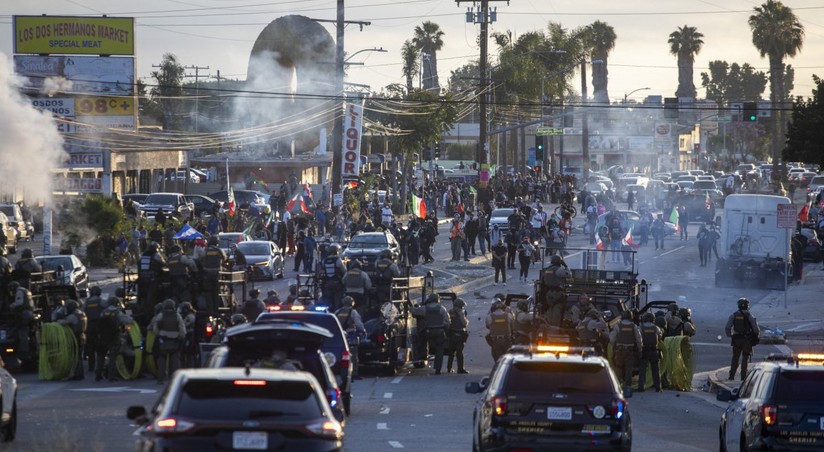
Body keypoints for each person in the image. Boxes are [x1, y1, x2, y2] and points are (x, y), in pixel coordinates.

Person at [97, 296, 132, 382]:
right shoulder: (117, 312)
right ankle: (111, 376)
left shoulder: (103, 312)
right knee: (113, 357)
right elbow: (127, 321)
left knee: (101, 356)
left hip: (102, 337)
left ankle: (98, 375)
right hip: (114, 337)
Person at [152, 299, 186, 384]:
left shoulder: (160, 315)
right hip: (175, 341)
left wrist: (159, 335)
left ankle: (160, 379)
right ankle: (174, 380)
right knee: (175, 362)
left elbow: (155, 328)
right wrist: (180, 337)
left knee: (161, 361)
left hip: (163, 340)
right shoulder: (177, 316)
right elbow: (182, 329)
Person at [725, 297, 760, 381]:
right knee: (745, 358)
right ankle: (743, 377)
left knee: (735, 358)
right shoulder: (749, 315)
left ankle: (731, 376)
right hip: (747, 340)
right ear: (747, 306)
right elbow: (756, 329)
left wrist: (731, 335)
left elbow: (727, 328)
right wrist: (755, 336)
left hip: (736, 339)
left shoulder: (734, 315)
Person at [417, 293, 450, 375]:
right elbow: (447, 321)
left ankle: (422, 357)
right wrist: (445, 330)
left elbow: (414, 311)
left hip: (428, 332)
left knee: (421, 340)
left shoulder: (424, 308)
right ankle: (437, 369)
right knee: (439, 350)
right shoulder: (442, 308)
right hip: (439, 332)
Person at [609, 309, 642, 391]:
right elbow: (639, 339)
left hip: (619, 350)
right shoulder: (633, 326)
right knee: (629, 368)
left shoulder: (618, 326)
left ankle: (617, 385)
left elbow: (611, 339)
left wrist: (614, 347)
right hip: (630, 351)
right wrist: (640, 349)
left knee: (618, 367)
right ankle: (628, 386)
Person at [335, 296, 366, 379]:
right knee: (353, 355)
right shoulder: (353, 312)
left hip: (340, 336)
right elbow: (358, 324)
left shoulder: (337, 312)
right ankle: (354, 374)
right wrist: (363, 331)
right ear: (352, 303)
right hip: (351, 336)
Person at [57, 300, 87, 380]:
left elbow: (63, 322)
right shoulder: (82, 313)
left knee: (75, 356)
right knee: (79, 356)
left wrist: (57, 320)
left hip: (75, 337)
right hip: (82, 335)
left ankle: (77, 374)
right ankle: (79, 373)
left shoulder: (73, 316)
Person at [8, 281, 35, 361]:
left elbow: (19, 302)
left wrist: (11, 306)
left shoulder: (19, 292)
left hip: (24, 314)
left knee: (22, 332)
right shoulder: (25, 290)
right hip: (30, 313)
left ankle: (23, 351)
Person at [637, 312, 663, 392]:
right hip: (654, 350)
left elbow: (638, 338)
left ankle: (641, 387)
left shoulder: (640, 328)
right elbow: (660, 336)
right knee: (656, 370)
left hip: (644, 350)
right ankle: (658, 387)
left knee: (642, 370)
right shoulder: (656, 328)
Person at [82, 286, 105, 373]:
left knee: (90, 347)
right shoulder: (102, 302)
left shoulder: (87, 302)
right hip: (100, 326)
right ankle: (100, 366)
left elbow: (83, 312)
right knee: (101, 346)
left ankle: (91, 366)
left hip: (90, 326)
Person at [446, 297, 469, 374]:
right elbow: (464, 323)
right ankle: (460, 369)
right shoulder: (461, 312)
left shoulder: (450, 311)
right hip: (460, 333)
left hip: (452, 333)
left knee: (451, 352)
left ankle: (449, 368)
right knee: (459, 353)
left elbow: (447, 322)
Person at [178, 301, 197, 368]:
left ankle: (189, 367)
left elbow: (183, 325)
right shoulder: (188, 316)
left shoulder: (190, 317)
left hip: (189, 336)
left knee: (188, 353)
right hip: (187, 336)